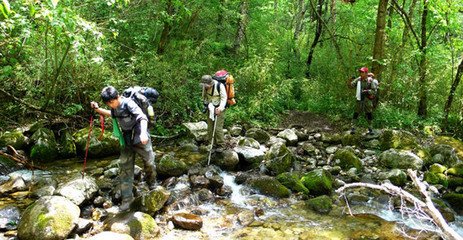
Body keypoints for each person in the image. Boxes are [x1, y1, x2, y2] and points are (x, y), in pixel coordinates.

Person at [90, 86, 156, 210]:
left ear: (118, 96)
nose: (111, 105)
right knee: (125, 169)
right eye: (108, 103)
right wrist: (98, 109)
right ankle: (127, 199)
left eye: (112, 102)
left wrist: (142, 133)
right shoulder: (114, 107)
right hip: (127, 139)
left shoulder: (129, 104)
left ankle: (152, 184)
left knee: (149, 162)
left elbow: (142, 117)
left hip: (140, 137)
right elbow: (112, 114)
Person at [201, 75, 227, 151]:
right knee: (210, 127)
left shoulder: (219, 85)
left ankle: (221, 145)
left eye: (206, 85)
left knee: (218, 127)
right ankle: (211, 143)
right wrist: (206, 105)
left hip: (219, 108)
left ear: (210, 83)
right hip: (210, 107)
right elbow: (204, 97)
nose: (205, 87)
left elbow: (224, 98)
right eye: (204, 85)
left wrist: (220, 108)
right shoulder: (204, 87)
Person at [350, 67, 378, 135]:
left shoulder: (370, 81)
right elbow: (351, 85)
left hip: (367, 100)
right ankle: (353, 127)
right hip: (359, 99)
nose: (360, 73)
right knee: (356, 112)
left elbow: (374, 91)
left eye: (362, 72)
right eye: (360, 72)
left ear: (366, 73)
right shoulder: (358, 79)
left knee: (369, 113)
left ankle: (370, 128)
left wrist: (367, 91)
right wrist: (350, 80)